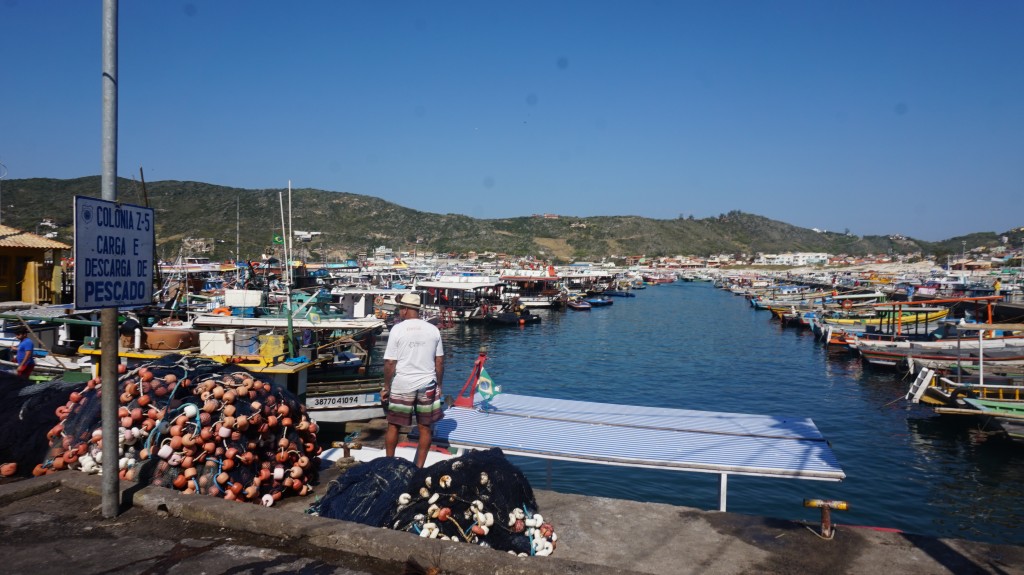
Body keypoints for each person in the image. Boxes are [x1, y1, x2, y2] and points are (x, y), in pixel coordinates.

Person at [381, 293, 444, 467]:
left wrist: (386, 387)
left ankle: (389, 465)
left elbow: (390, 362)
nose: (400, 311)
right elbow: (439, 361)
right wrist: (439, 385)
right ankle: (419, 467)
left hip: (403, 384)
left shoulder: (397, 329)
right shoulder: (433, 330)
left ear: (406, 309)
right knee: (425, 428)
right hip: (427, 383)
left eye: (401, 308)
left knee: (393, 425)